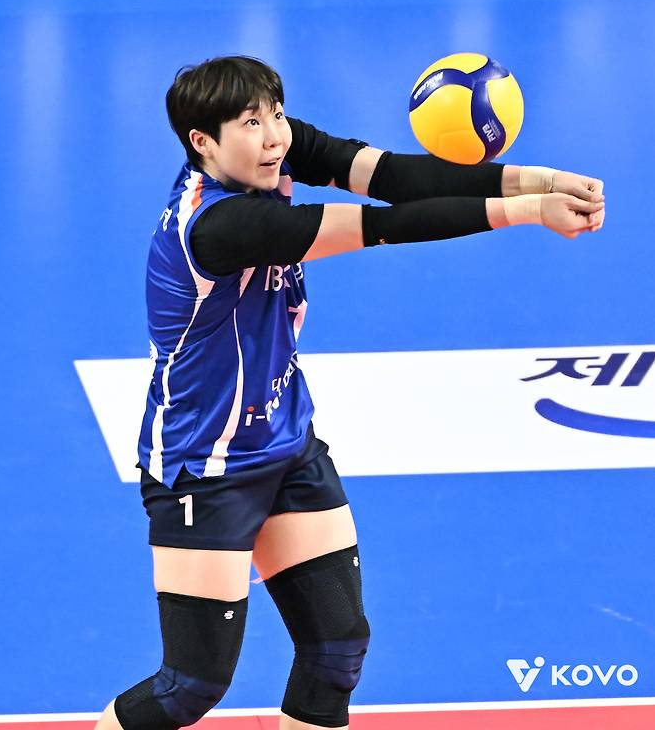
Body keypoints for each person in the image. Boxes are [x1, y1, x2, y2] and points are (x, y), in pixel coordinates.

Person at [94, 55, 605, 730]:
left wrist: (540, 179)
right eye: (251, 123)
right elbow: (385, 224)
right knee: (188, 687)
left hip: (285, 445)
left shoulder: (272, 153)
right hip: (205, 469)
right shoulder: (218, 227)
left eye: (276, 114)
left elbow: (395, 178)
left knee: (336, 648)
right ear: (202, 142)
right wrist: (530, 211)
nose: (275, 135)